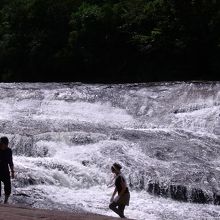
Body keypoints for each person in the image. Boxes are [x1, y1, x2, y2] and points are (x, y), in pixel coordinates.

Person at [0, 136, 14, 204]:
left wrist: (12, 172)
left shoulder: (9, 151)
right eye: (5, 144)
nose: (6, 145)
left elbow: (10, 162)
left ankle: (6, 201)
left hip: (5, 170)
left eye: (7, 144)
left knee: (8, 186)